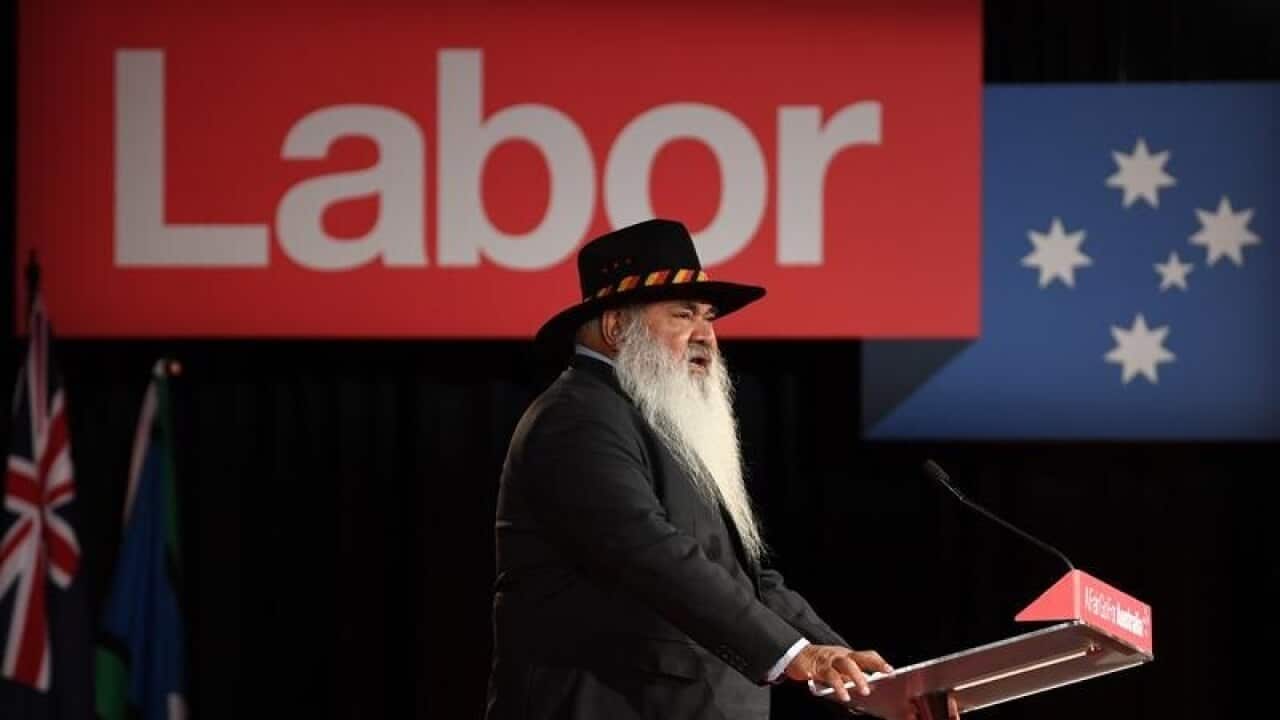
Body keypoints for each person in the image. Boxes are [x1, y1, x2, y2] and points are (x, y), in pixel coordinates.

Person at [484, 219, 957, 720]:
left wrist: (847, 668)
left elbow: (746, 578)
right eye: (683, 314)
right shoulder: (576, 417)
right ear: (616, 326)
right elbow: (651, 554)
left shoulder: (660, 422)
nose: (706, 336)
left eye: (709, 318)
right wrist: (796, 655)